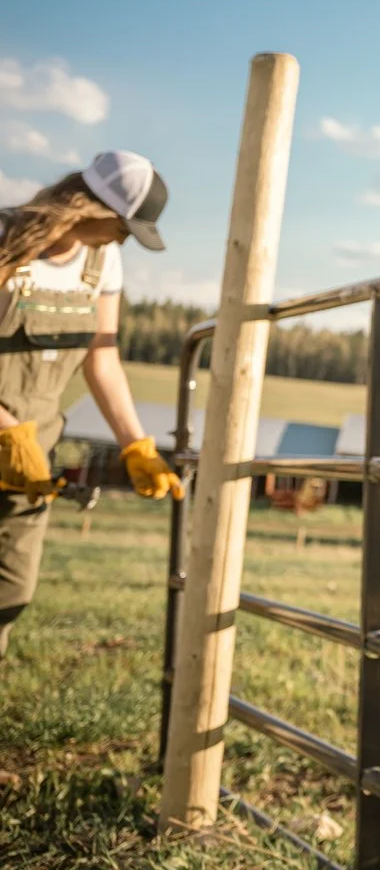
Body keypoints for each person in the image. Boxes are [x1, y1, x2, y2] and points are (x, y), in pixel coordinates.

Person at [0, 150, 182, 658]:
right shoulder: (5, 240)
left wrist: (135, 446)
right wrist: (6, 431)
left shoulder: (103, 261)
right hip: (12, 442)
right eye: (124, 225)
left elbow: (102, 358)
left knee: (11, 592)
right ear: (89, 206)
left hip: (29, 464)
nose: (125, 237)